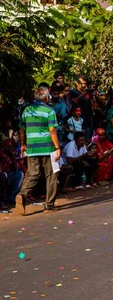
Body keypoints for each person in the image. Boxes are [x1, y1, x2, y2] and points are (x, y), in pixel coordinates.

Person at [15, 86, 61, 214]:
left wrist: (23, 144)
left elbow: (22, 129)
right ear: (47, 98)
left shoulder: (27, 110)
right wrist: (57, 147)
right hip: (48, 147)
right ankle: (49, 204)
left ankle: (22, 194)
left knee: (33, 173)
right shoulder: (49, 111)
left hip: (32, 147)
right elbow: (52, 130)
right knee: (52, 174)